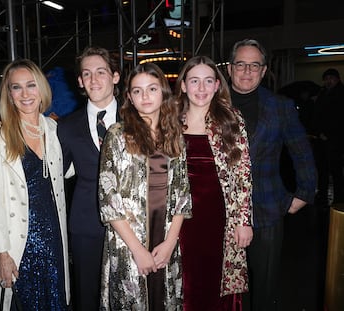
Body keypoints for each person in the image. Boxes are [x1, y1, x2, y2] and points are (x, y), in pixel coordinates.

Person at [0, 59, 70, 310]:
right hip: (16, 241)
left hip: (53, 236)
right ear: (9, 93)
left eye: (31, 85)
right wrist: (1, 255)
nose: (25, 94)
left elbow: (68, 170)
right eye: (16, 87)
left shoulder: (54, 128)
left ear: (43, 89)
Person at [227, 39, 317, 311]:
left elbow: (301, 150)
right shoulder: (211, 102)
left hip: (267, 209)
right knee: (224, 288)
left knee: (264, 286)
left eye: (254, 65)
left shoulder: (280, 106)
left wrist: (304, 192)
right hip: (221, 210)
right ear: (230, 68)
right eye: (241, 64)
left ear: (264, 71)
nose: (247, 71)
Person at [98, 63, 192, 310]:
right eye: (137, 91)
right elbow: (108, 199)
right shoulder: (117, 134)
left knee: (164, 299)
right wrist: (138, 250)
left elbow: (183, 193)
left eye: (152, 89)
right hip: (128, 241)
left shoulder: (175, 135)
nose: (145, 96)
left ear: (163, 92)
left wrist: (171, 242)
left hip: (165, 235)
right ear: (129, 96)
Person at [175, 55, 253, 310]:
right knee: (184, 283)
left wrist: (244, 222)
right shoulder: (170, 120)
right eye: (194, 81)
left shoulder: (230, 119)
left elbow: (243, 173)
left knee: (215, 284)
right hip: (178, 219)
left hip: (221, 217)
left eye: (208, 81)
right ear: (183, 85)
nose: (201, 88)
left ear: (218, 85)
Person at [57, 46, 121, 311]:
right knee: (87, 295)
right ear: (80, 81)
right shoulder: (66, 126)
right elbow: (57, 172)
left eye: (101, 72)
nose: (94, 80)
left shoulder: (138, 118)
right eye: (87, 74)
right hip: (86, 222)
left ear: (115, 76)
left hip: (133, 221)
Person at [313, 68, 344, 205]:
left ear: (337, 79)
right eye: (326, 79)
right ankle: (322, 194)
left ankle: (339, 197)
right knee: (322, 168)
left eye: (331, 78)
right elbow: (317, 114)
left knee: (336, 169)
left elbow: (339, 116)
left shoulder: (341, 93)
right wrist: (319, 131)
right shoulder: (323, 93)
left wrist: (329, 133)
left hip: (336, 138)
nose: (328, 81)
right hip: (321, 137)